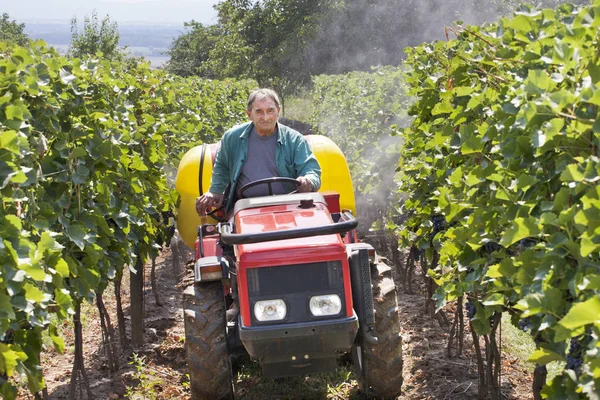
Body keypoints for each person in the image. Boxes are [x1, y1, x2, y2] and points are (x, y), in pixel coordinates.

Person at [195, 88, 321, 216]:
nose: (265, 117)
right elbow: (222, 166)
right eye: (259, 112)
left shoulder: (295, 140)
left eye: (270, 111)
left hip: (289, 205)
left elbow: (311, 170)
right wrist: (214, 191)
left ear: (278, 111)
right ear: (249, 114)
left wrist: (307, 180)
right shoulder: (232, 138)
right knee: (230, 233)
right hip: (245, 207)